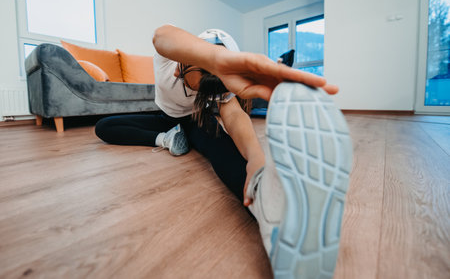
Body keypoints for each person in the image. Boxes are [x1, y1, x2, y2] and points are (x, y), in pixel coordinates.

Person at [95, 25, 352, 278]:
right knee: (105, 126)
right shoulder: (169, 60)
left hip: (195, 120)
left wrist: (256, 159)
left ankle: (272, 214)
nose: (176, 75)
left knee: (220, 146)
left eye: (192, 86)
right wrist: (216, 59)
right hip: (164, 119)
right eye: (186, 73)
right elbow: (161, 35)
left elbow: (235, 119)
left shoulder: (217, 88)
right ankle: (168, 139)